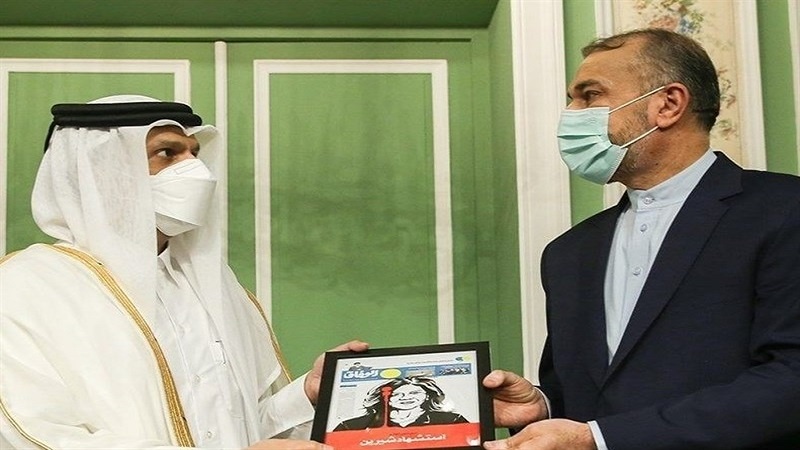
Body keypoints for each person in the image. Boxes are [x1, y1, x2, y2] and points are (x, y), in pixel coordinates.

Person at [482, 28, 800, 449]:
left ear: (667, 104)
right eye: (571, 99)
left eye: (590, 95)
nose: (571, 114)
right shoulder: (568, 253)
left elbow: (791, 378)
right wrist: (541, 406)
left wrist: (601, 439)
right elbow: (587, 397)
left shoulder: (784, 209)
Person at [0, 95, 369, 450]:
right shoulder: (25, 289)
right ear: (104, 171)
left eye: (194, 153)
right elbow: (38, 437)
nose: (195, 170)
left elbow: (237, 430)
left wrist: (306, 395)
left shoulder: (213, 288)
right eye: (167, 153)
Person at [333, 377, 468, 430]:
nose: (406, 398)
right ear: (384, 397)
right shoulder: (351, 426)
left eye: (414, 393)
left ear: (427, 396)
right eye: (397, 394)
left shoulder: (452, 421)